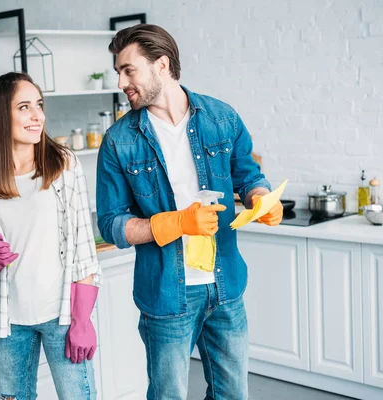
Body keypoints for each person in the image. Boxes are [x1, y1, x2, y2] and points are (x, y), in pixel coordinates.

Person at [96, 24, 283, 400]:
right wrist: (176, 223)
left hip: (226, 286)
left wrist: (263, 199)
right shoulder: (119, 141)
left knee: (232, 395)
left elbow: (248, 176)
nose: (121, 82)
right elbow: (112, 224)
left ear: (161, 65)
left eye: (128, 70)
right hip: (166, 295)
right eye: (118, 71)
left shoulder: (221, 118)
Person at [0, 72, 101, 400]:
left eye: (39, 105)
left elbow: (84, 245)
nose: (37, 116)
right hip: (9, 320)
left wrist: (82, 320)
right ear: (1, 115)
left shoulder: (63, 165)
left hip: (63, 315)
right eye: (24, 107)